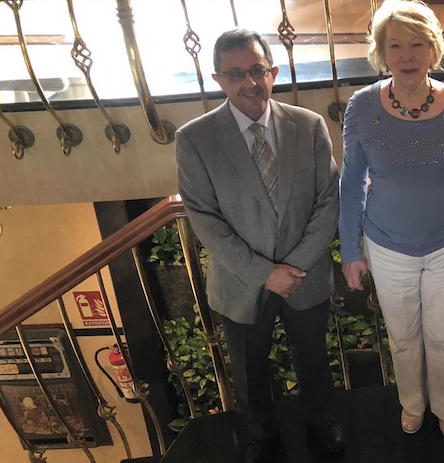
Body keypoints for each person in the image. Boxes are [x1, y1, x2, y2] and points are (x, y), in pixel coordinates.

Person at [176, 28, 343, 463]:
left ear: (273, 71)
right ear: (218, 80)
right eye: (235, 75)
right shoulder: (194, 139)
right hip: (240, 283)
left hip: (304, 278)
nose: (249, 83)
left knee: (313, 359)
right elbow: (204, 218)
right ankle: (259, 436)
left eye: (256, 70)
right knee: (249, 372)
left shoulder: (308, 126)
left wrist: (294, 267)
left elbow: (329, 201)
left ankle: (320, 422)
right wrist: (265, 273)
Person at [338, 0, 444, 442]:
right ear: (382, 52)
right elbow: (351, 184)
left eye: (418, 44)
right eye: (396, 45)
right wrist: (350, 250)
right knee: (403, 335)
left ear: (433, 50)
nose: (407, 55)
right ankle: (412, 404)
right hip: (387, 245)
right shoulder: (361, 107)